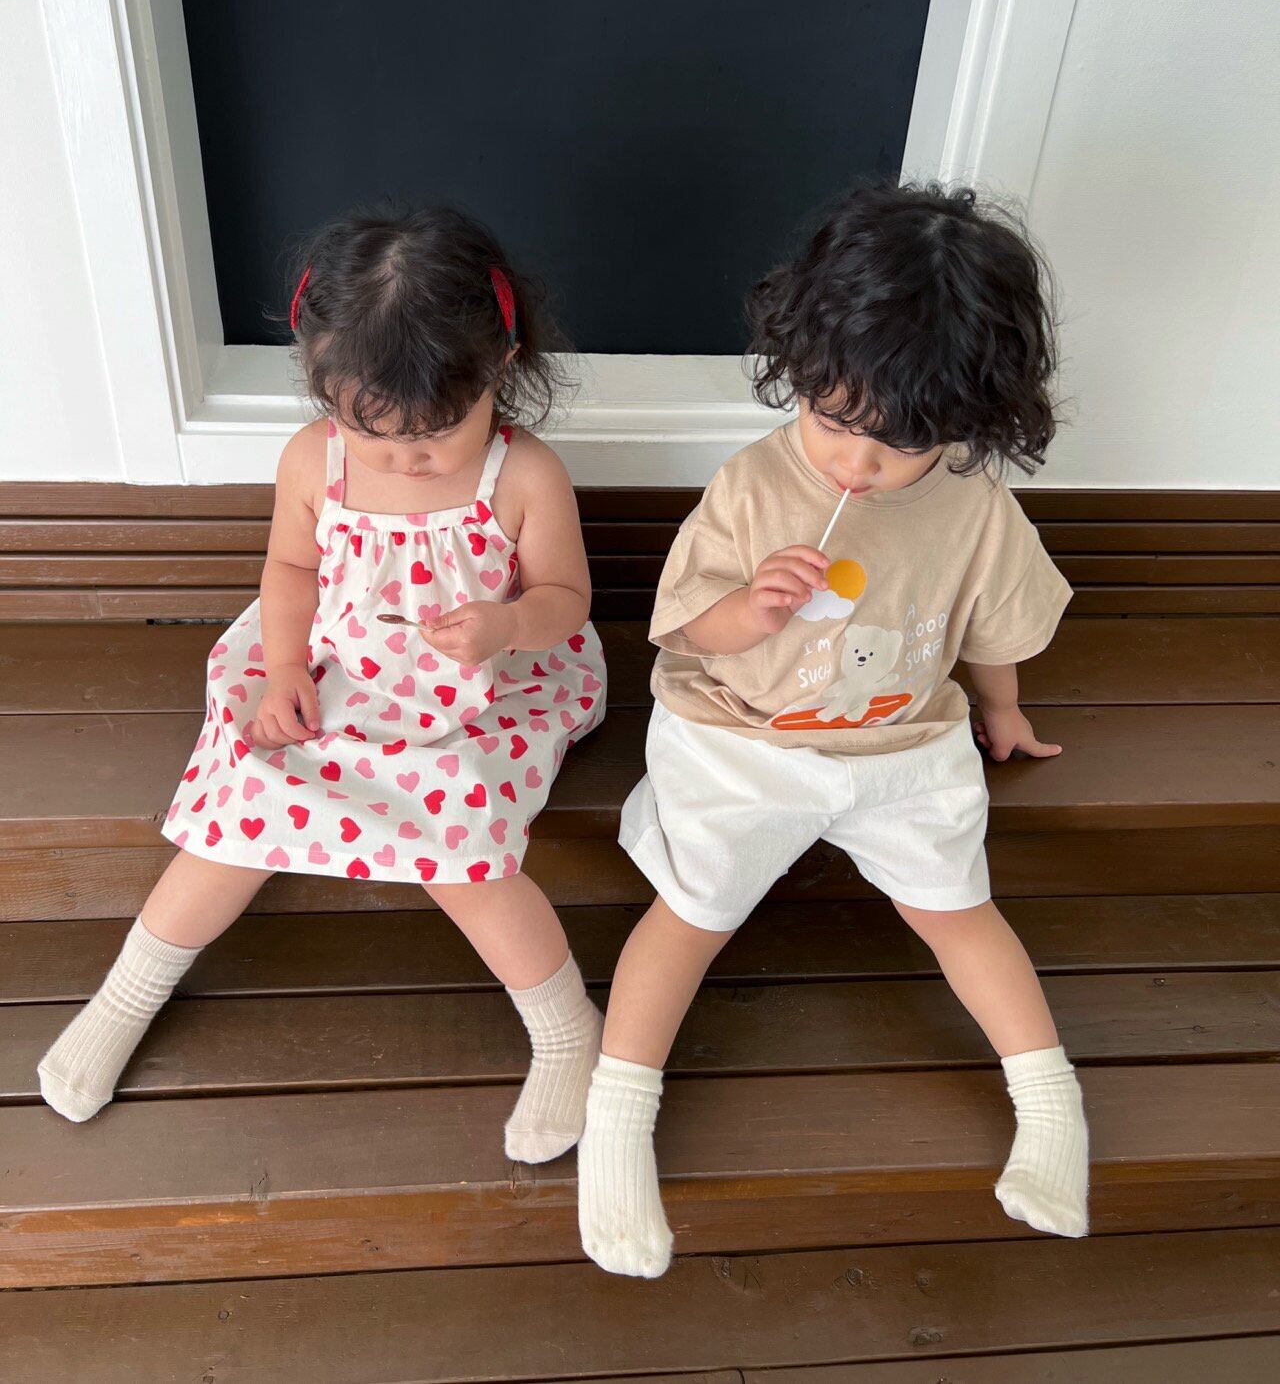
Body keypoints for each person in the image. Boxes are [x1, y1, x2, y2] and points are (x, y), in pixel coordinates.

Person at [577, 180, 1086, 1277]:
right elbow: (687, 628)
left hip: (901, 742)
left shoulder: (975, 506)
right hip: (739, 736)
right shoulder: (753, 486)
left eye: (895, 444)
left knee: (961, 913)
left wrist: (999, 708)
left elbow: (990, 626)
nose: (855, 464)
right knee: (691, 911)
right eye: (832, 421)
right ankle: (616, 1115)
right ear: (798, 371)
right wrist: (751, 606)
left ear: (970, 418)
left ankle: (1050, 1100)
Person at [39, 204, 607, 1165]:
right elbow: (291, 570)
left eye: (437, 433)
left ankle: (564, 1028)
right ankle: (128, 993)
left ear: (501, 367)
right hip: (334, 666)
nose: (405, 458)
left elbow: (565, 597)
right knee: (242, 804)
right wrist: (285, 669)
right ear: (322, 381)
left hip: (480, 688)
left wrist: (507, 624)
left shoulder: (524, 475)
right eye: (371, 432)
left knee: (463, 848)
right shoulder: (314, 459)